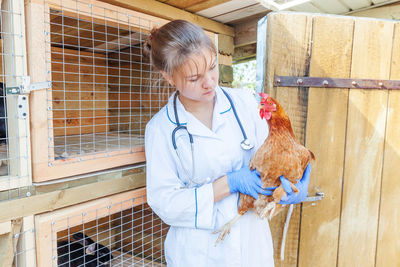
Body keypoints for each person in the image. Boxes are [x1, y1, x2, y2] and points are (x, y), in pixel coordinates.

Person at [144, 20, 311, 267]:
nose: (209, 82)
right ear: (168, 77)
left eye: (212, 68)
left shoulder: (243, 103)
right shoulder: (160, 130)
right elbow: (165, 204)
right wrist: (228, 184)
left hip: (251, 246)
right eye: (194, 78)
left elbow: (280, 152)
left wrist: (299, 180)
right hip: (198, 253)